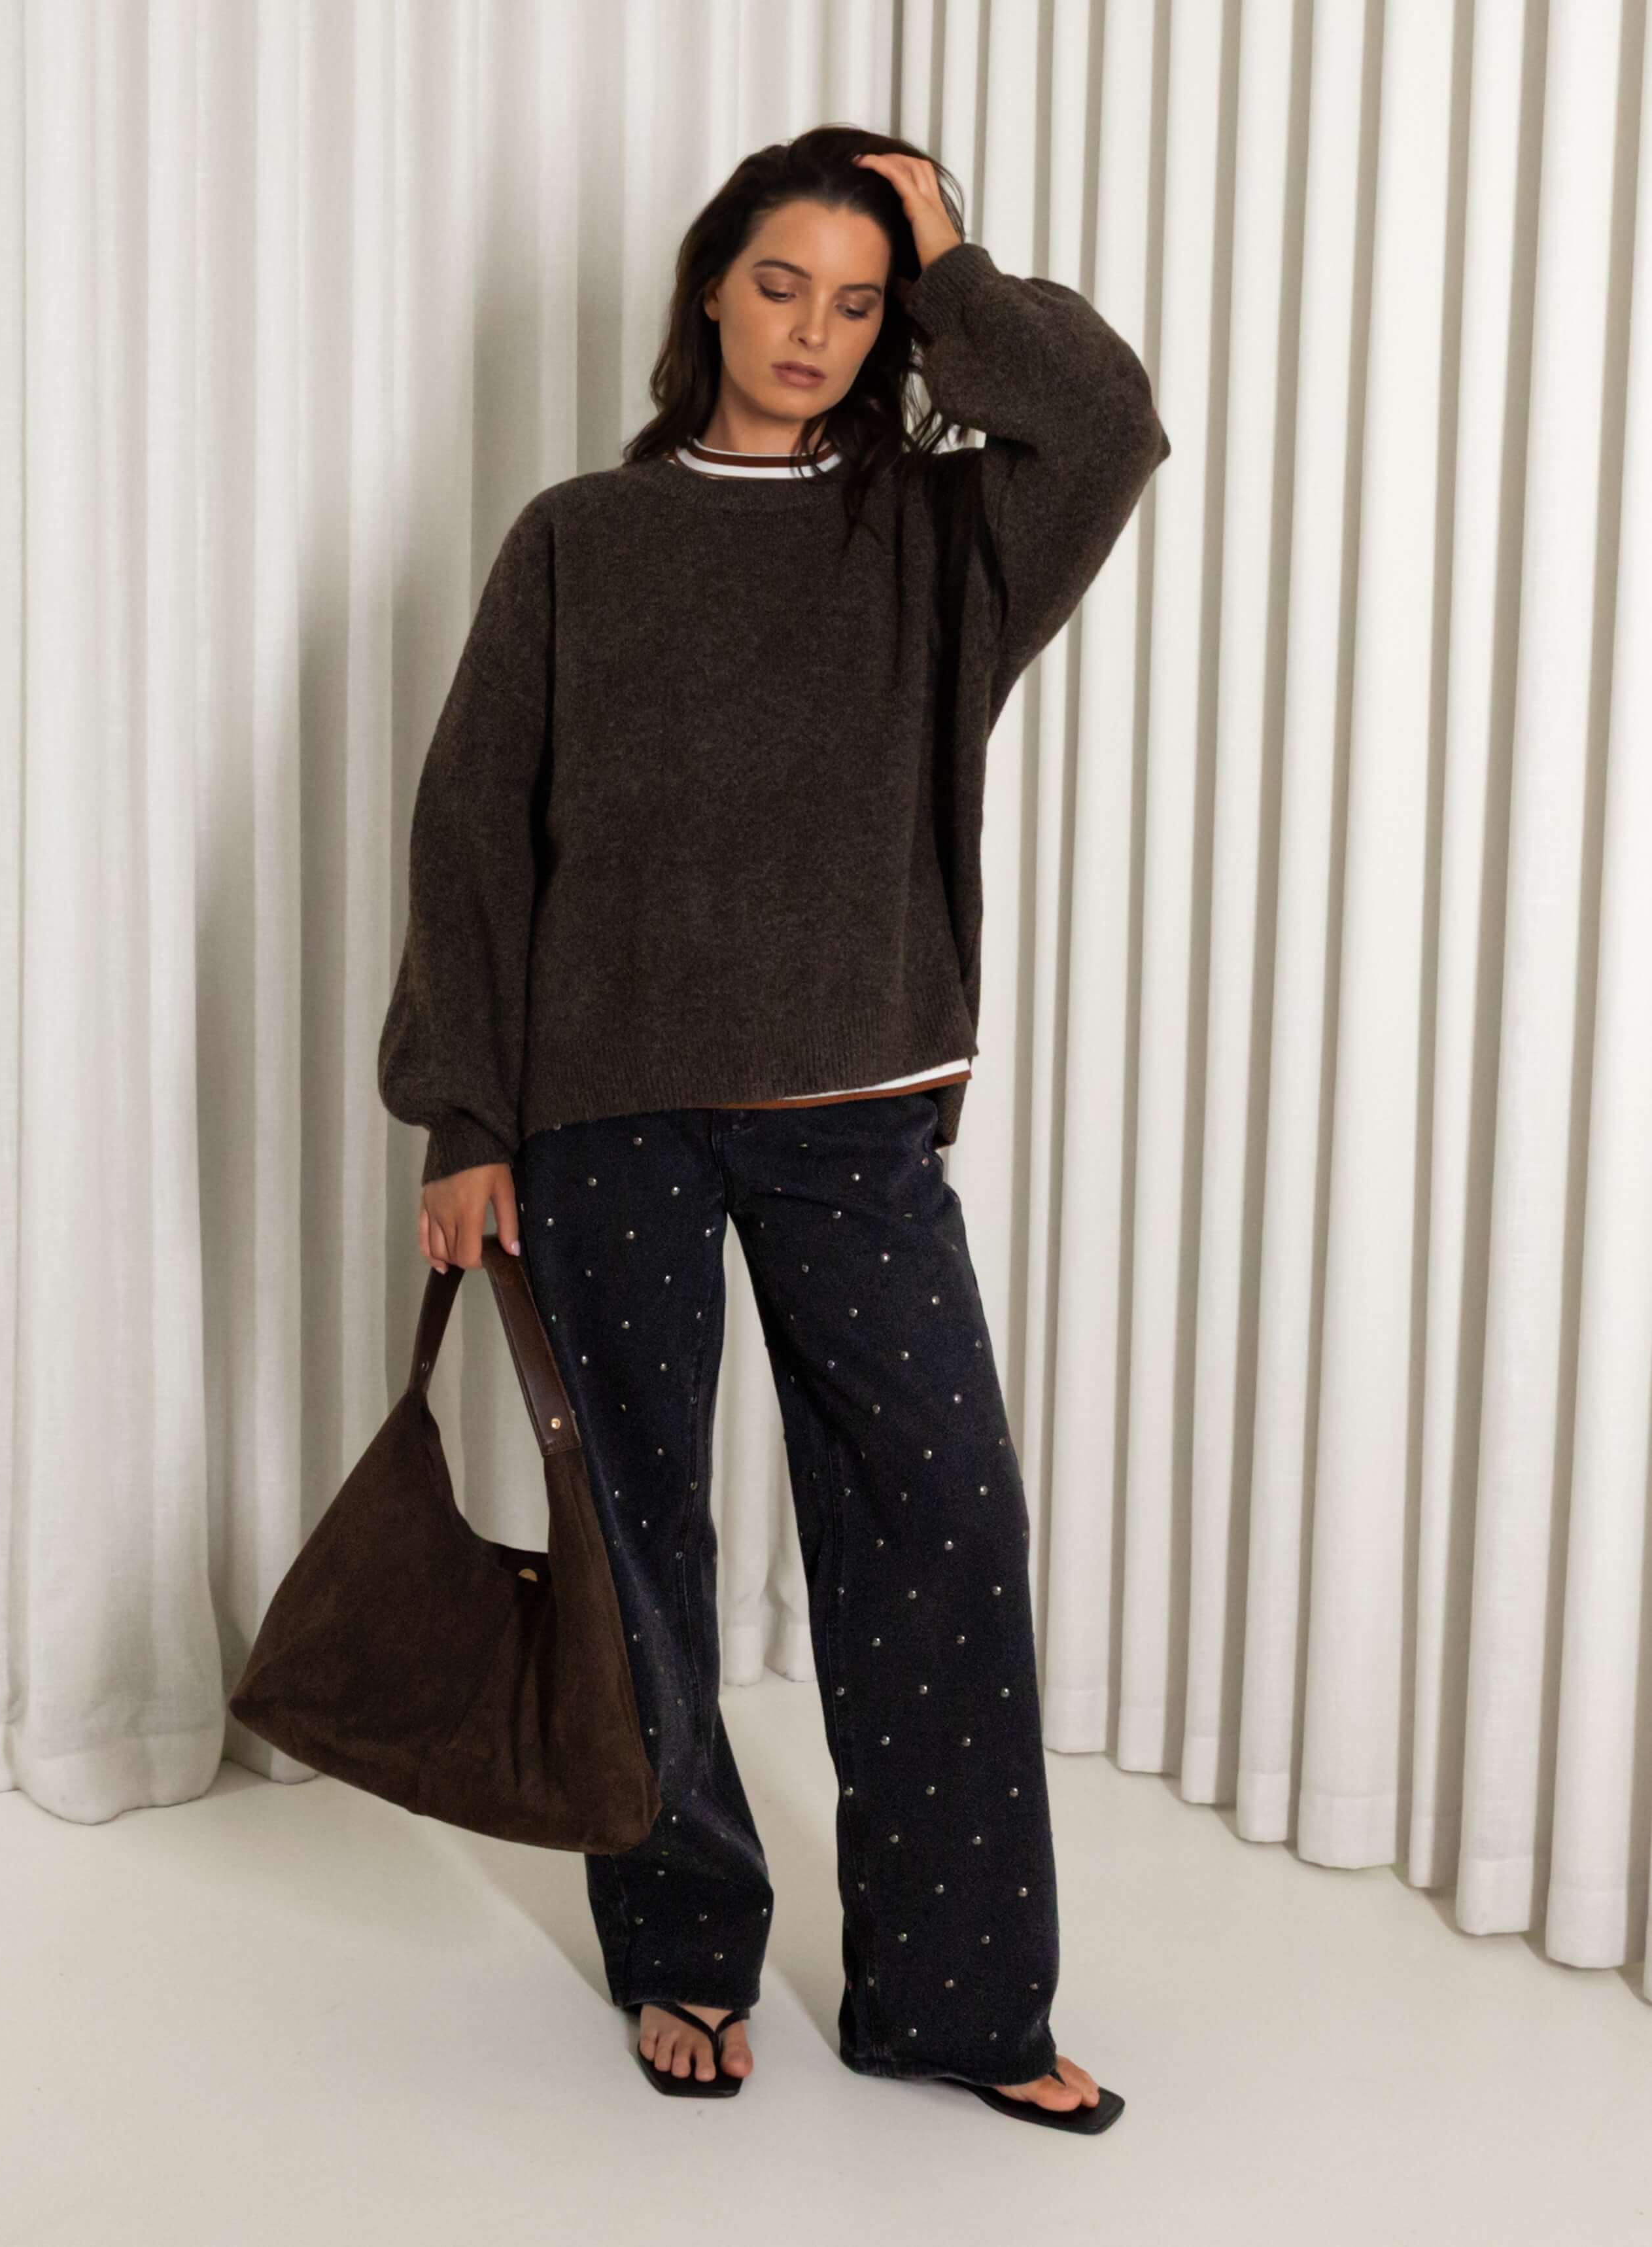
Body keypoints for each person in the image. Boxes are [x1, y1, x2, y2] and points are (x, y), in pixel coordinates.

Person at [377, 124, 1168, 2129]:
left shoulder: (944, 537)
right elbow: (474, 833)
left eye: (860, 300)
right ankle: (681, 1943)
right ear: (708, 293)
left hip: (851, 1117)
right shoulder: (580, 537)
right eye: (780, 283)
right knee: (635, 1535)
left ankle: (957, 2001)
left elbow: (1107, 424)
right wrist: (461, 1112)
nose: (814, 329)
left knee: (941, 1523)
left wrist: (953, 256)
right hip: (607, 1114)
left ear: (900, 326)